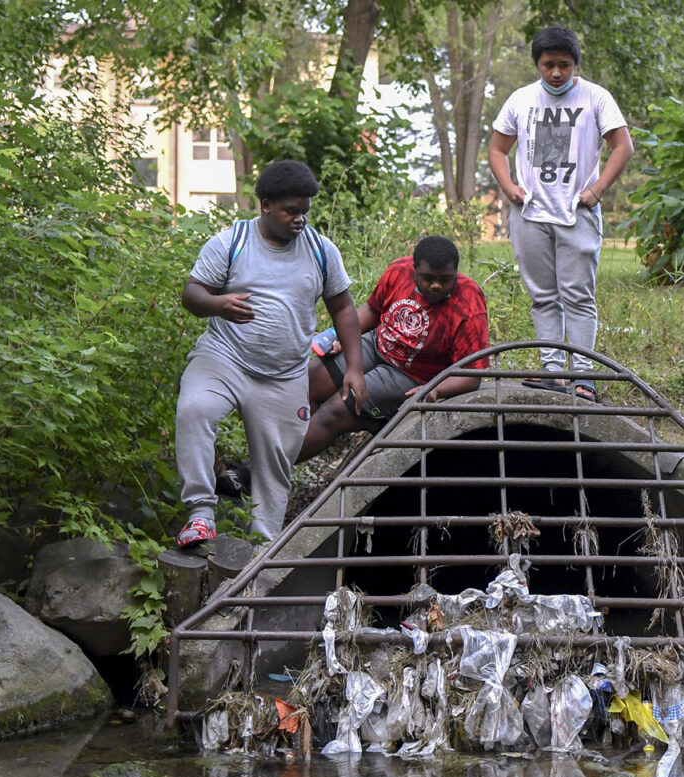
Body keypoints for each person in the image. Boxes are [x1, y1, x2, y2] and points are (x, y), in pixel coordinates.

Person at [174, 160, 365, 548]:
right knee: (193, 409)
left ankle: (263, 551)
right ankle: (200, 514)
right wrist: (219, 304)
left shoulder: (321, 250)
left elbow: (343, 308)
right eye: (290, 211)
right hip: (224, 358)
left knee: (275, 463)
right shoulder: (232, 242)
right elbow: (191, 295)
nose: (300, 219)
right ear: (264, 205)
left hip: (284, 374)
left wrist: (355, 368)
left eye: (305, 211)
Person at [489, 25, 633, 403]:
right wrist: (509, 187)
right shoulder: (521, 100)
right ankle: (551, 372)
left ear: (575, 64)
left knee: (578, 296)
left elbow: (623, 146)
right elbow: (497, 150)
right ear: (537, 63)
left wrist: (597, 190)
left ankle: (582, 375)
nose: (556, 73)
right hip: (530, 214)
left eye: (564, 65)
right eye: (548, 64)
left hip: (577, 211)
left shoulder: (596, 98)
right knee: (542, 295)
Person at [298, 235, 490, 460]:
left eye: (445, 279)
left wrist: (436, 389)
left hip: (411, 374)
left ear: (455, 273)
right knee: (309, 379)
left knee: (336, 410)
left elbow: (473, 374)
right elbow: (372, 311)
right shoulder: (399, 270)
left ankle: (262, 474)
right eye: (427, 278)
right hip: (377, 344)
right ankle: (290, 452)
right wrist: (339, 336)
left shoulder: (469, 303)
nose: (436, 286)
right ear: (414, 269)